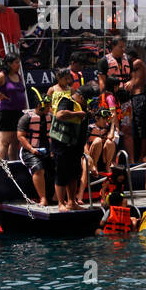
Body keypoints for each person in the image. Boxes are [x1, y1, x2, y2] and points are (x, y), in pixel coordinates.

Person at [48, 67, 89, 210]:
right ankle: (61, 203)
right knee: (62, 172)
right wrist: (76, 114)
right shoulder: (66, 99)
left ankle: (72, 202)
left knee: (74, 173)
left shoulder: (85, 105)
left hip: (75, 144)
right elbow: (59, 114)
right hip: (62, 143)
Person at [17, 89, 53, 206]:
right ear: (39, 105)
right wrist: (31, 149)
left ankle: (57, 197)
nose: (49, 108)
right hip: (30, 151)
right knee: (38, 168)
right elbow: (20, 136)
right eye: (47, 106)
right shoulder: (26, 118)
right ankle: (43, 198)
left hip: (48, 149)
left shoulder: (50, 117)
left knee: (61, 165)